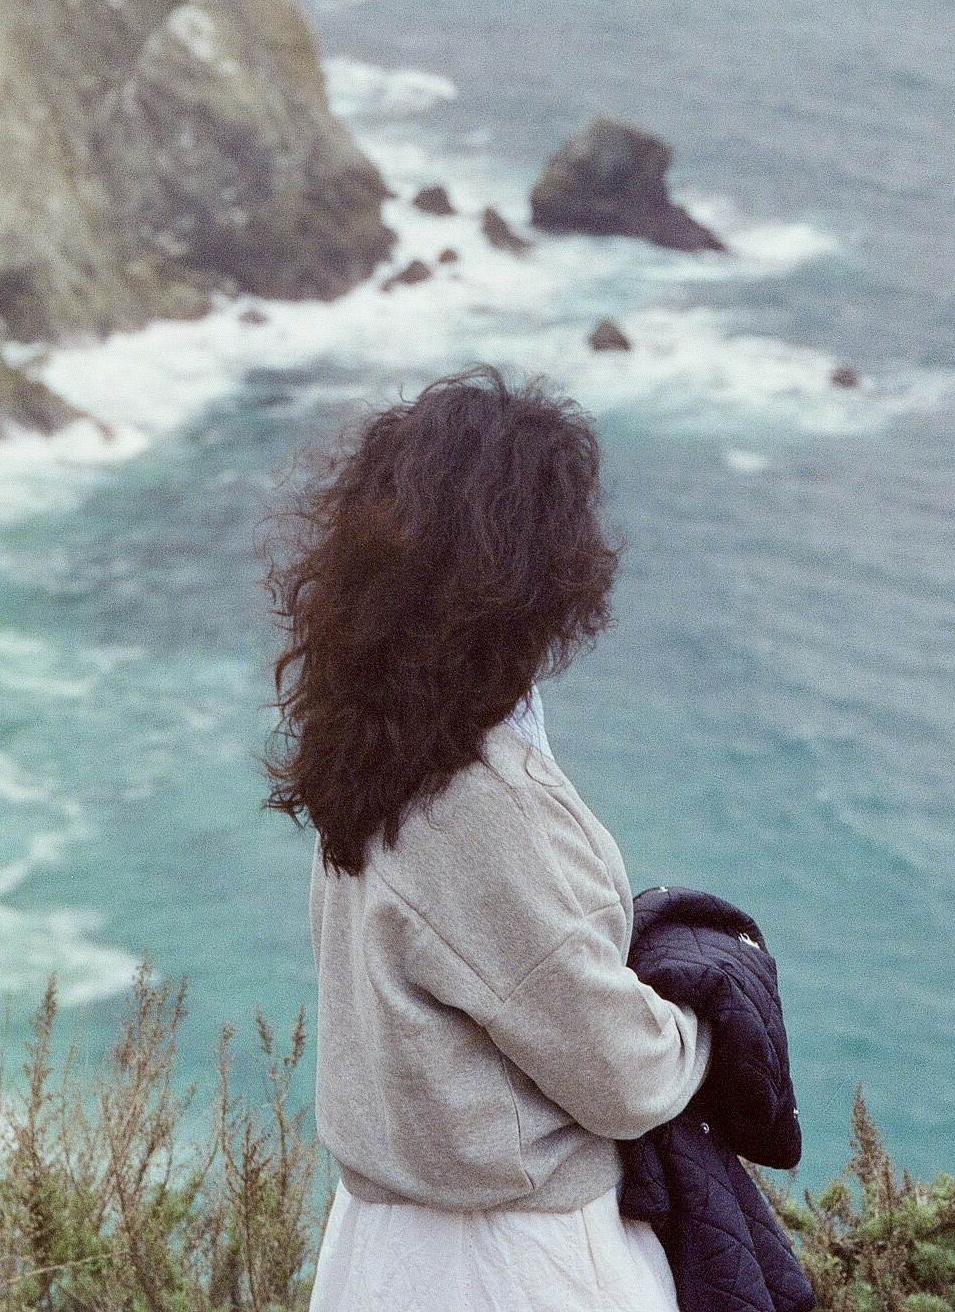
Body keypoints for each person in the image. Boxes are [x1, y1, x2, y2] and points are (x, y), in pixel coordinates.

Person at [266, 366, 704, 1312]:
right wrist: (705, 1022)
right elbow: (624, 1079)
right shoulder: (480, 805)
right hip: (510, 1262)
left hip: (381, 1249)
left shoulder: (365, 740)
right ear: (529, 577)